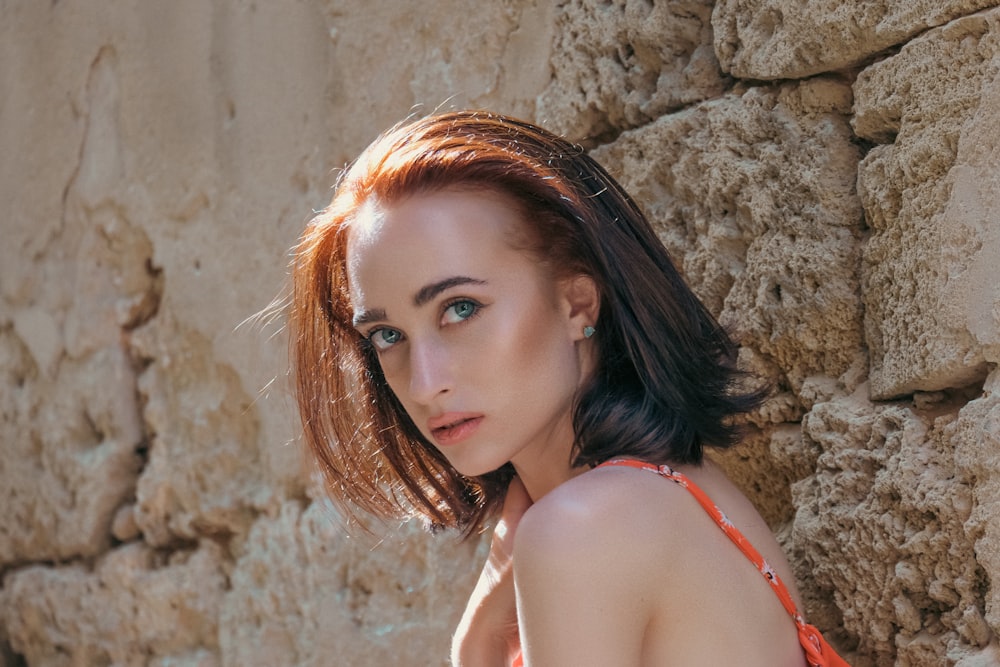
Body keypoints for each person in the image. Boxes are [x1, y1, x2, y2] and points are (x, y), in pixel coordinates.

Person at [288, 110, 850, 666]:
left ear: (577, 302)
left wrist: (478, 649)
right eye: (387, 335)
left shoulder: (582, 528)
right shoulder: (687, 491)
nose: (424, 381)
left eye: (461, 309)